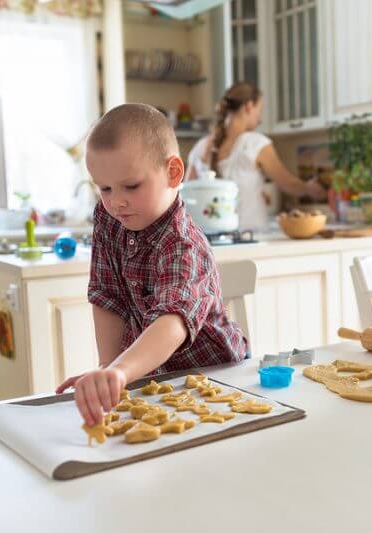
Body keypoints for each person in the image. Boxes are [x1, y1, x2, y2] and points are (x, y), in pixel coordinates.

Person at [56, 104, 248, 426]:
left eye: (131, 186)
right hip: (154, 379)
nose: (117, 201)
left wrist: (121, 371)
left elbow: (171, 321)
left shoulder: (183, 244)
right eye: (104, 188)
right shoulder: (110, 218)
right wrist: (110, 371)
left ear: (173, 173)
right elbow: (107, 296)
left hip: (216, 378)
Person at [186, 81, 326, 230]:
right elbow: (287, 183)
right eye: (259, 111)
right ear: (249, 106)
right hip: (250, 238)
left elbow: (185, 195)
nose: (260, 119)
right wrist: (308, 188)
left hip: (210, 241)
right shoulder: (254, 144)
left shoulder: (200, 147)